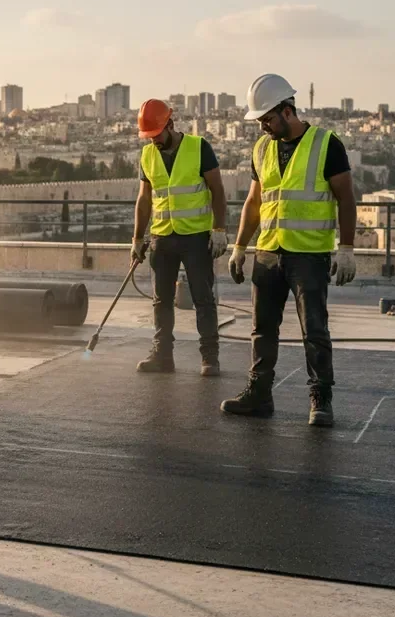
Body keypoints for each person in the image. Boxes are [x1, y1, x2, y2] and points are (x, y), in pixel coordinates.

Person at [222, 73, 356, 427]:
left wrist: (346, 249)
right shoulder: (262, 148)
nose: (264, 127)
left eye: (267, 119)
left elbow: (346, 198)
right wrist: (239, 247)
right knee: (262, 329)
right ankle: (259, 394)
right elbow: (254, 202)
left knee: (314, 330)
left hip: (308, 256)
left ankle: (320, 398)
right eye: (260, 121)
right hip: (268, 253)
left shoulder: (327, 144)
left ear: (287, 110)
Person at [132, 99, 230, 376]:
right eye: (148, 137)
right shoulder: (148, 155)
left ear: (170, 125)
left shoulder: (199, 148)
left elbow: (218, 191)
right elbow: (144, 200)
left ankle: (209, 357)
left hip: (196, 237)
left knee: (203, 298)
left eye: (156, 135)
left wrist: (219, 230)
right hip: (162, 238)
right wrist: (137, 239)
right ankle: (163, 356)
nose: (153, 141)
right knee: (161, 300)